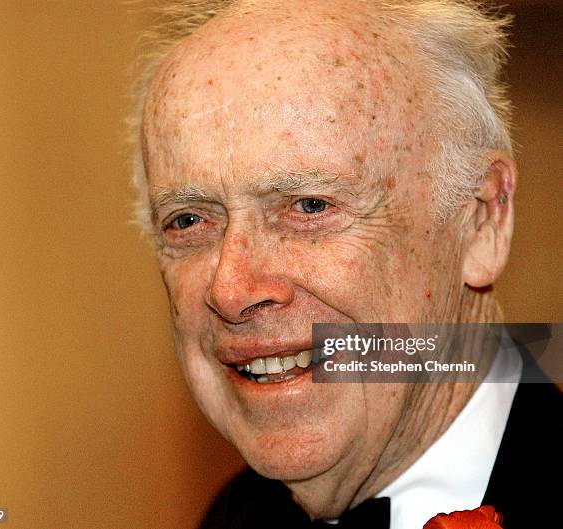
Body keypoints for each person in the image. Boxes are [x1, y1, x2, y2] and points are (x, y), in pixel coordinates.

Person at [128, 1, 561, 527]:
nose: (231, 288)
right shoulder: (236, 516)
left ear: (481, 222)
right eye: (188, 221)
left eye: (309, 206)